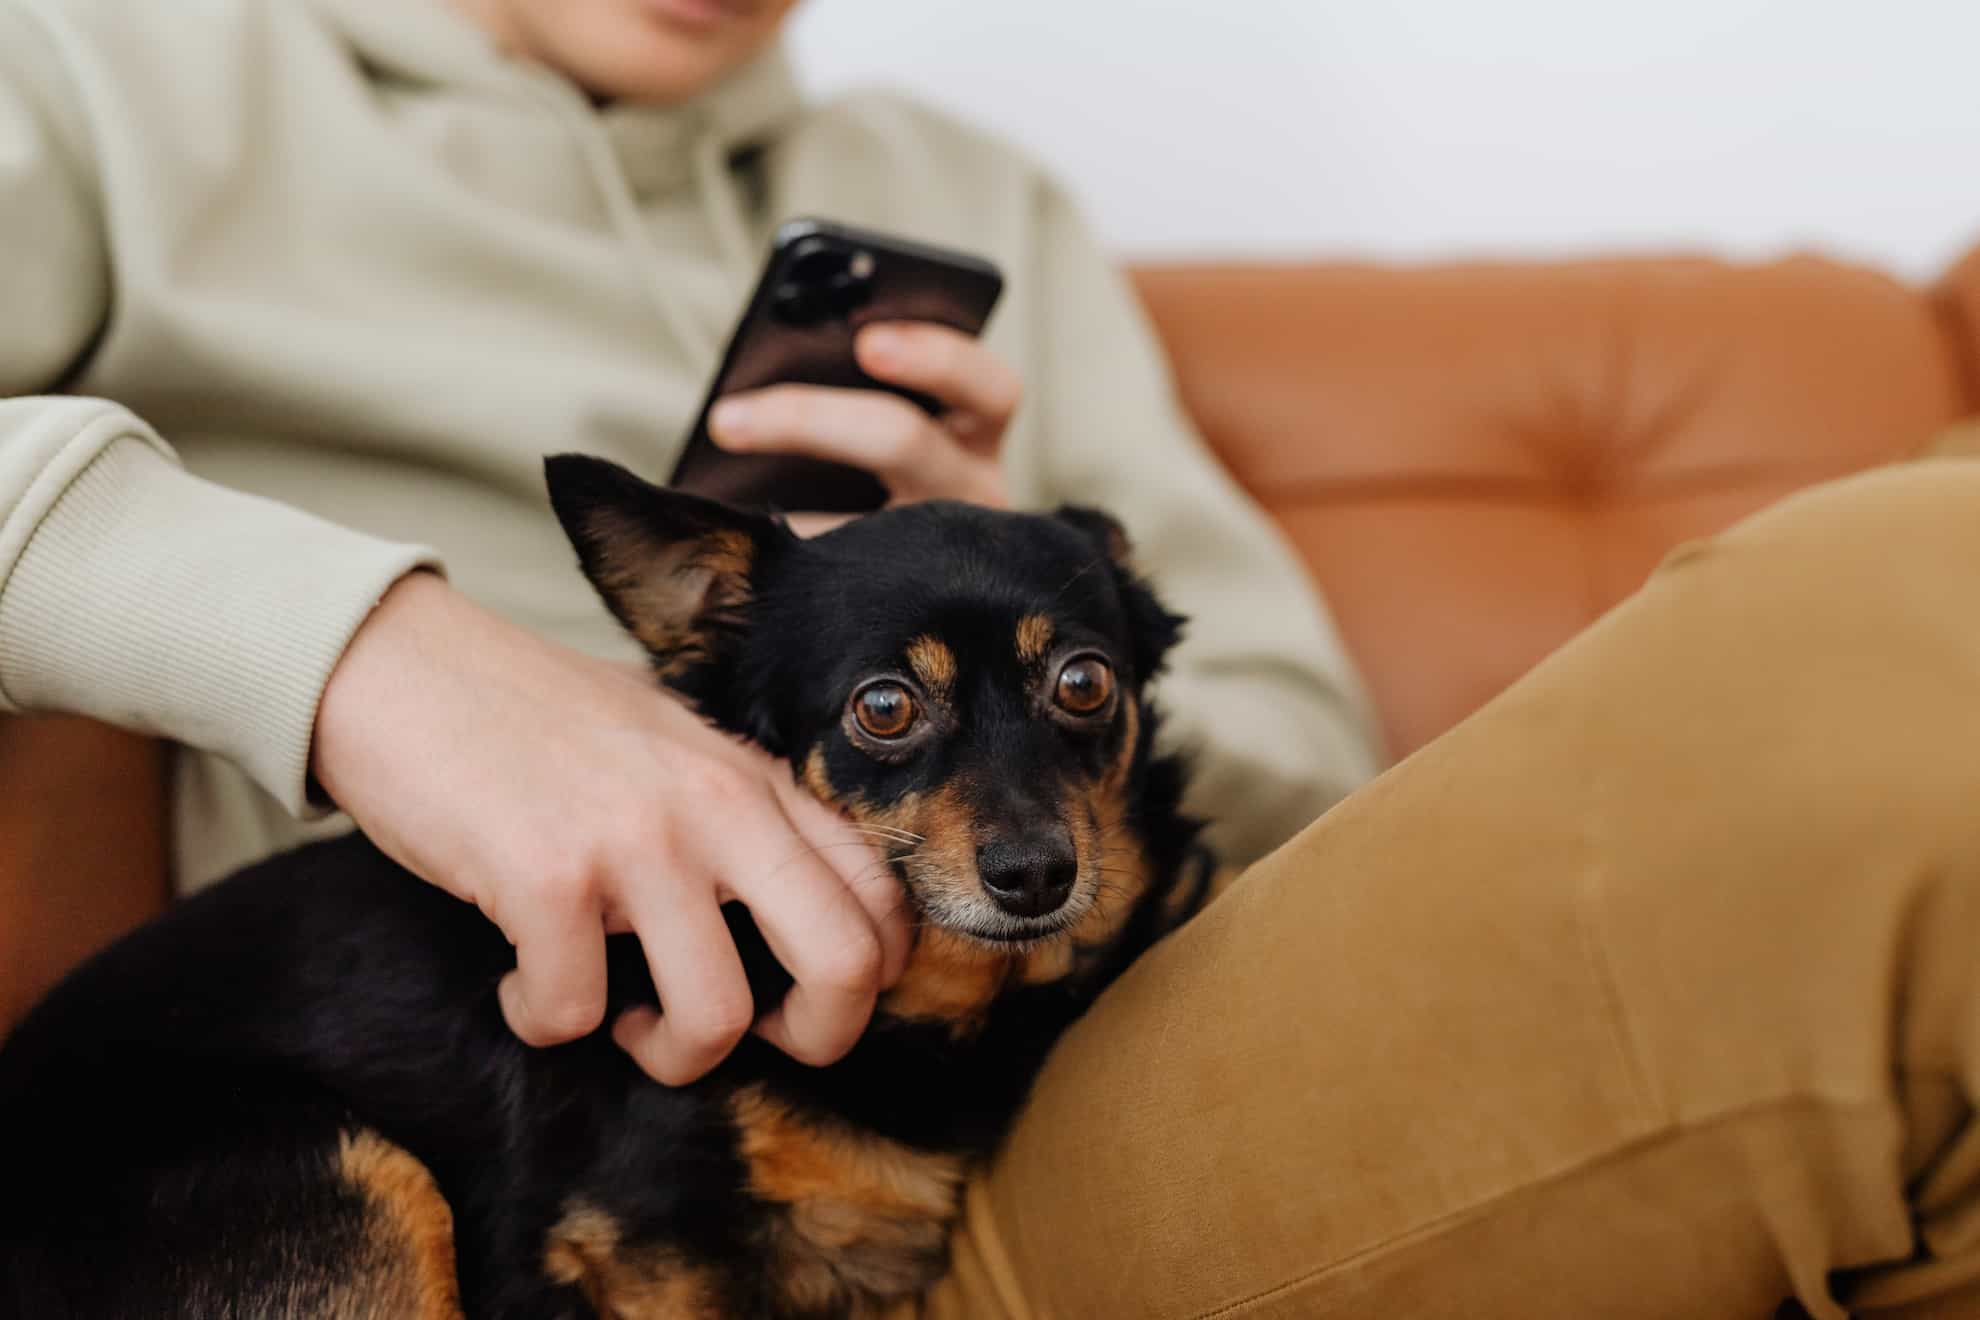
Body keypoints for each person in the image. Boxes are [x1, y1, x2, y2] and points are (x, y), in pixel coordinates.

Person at [0, 0, 1377, 1088]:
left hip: (1062, 1067)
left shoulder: (966, 188)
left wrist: (1011, 577)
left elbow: (1319, 768)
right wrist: (369, 656)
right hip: (496, 1107)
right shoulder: (100, 72)